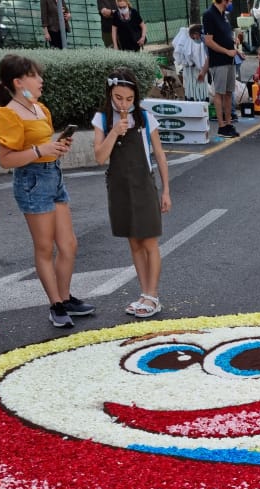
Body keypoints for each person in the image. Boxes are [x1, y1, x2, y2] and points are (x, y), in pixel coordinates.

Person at [0, 54, 93, 329]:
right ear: (18, 81)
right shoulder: (8, 114)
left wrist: (57, 148)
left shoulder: (39, 109)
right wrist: (40, 150)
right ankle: (56, 304)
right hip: (32, 182)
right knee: (45, 247)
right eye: (35, 75)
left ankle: (66, 296)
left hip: (53, 176)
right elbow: (6, 159)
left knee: (69, 244)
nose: (40, 80)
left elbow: (43, 146)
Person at [92, 69, 172, 317]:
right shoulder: (102, 119)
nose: (123, 104)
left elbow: (159, 154)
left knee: (149, 241)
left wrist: (166, 190)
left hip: (143, 185)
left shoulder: (146, 118)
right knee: (134, 242)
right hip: (118, 187)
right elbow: (99, 157)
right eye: (118, 98)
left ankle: (153, 295)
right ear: (110, 94)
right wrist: (114, 131)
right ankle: (143, 293)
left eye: (128, 99)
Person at [204, 0, 241, 137]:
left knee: (229, 92)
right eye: (229, 0)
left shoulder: (223, 15)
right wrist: (226, 51)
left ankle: (228, 123)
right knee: (219, 93)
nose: (231, 2)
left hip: (230, 59)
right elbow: (208, 41)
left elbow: (225, 36)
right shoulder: (209, 15)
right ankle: (221, 126)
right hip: (219, 61)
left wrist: (235, 47)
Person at [172, 23, 210, 102]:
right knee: (196, 85)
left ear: (196, 33)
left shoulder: (204, 39)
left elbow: (186, 52)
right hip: (195, 69)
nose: (194, 39)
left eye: (193, 37)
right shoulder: (201, 38)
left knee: (195, 84)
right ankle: (198, 98)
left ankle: (196, 98)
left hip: (197, 69)